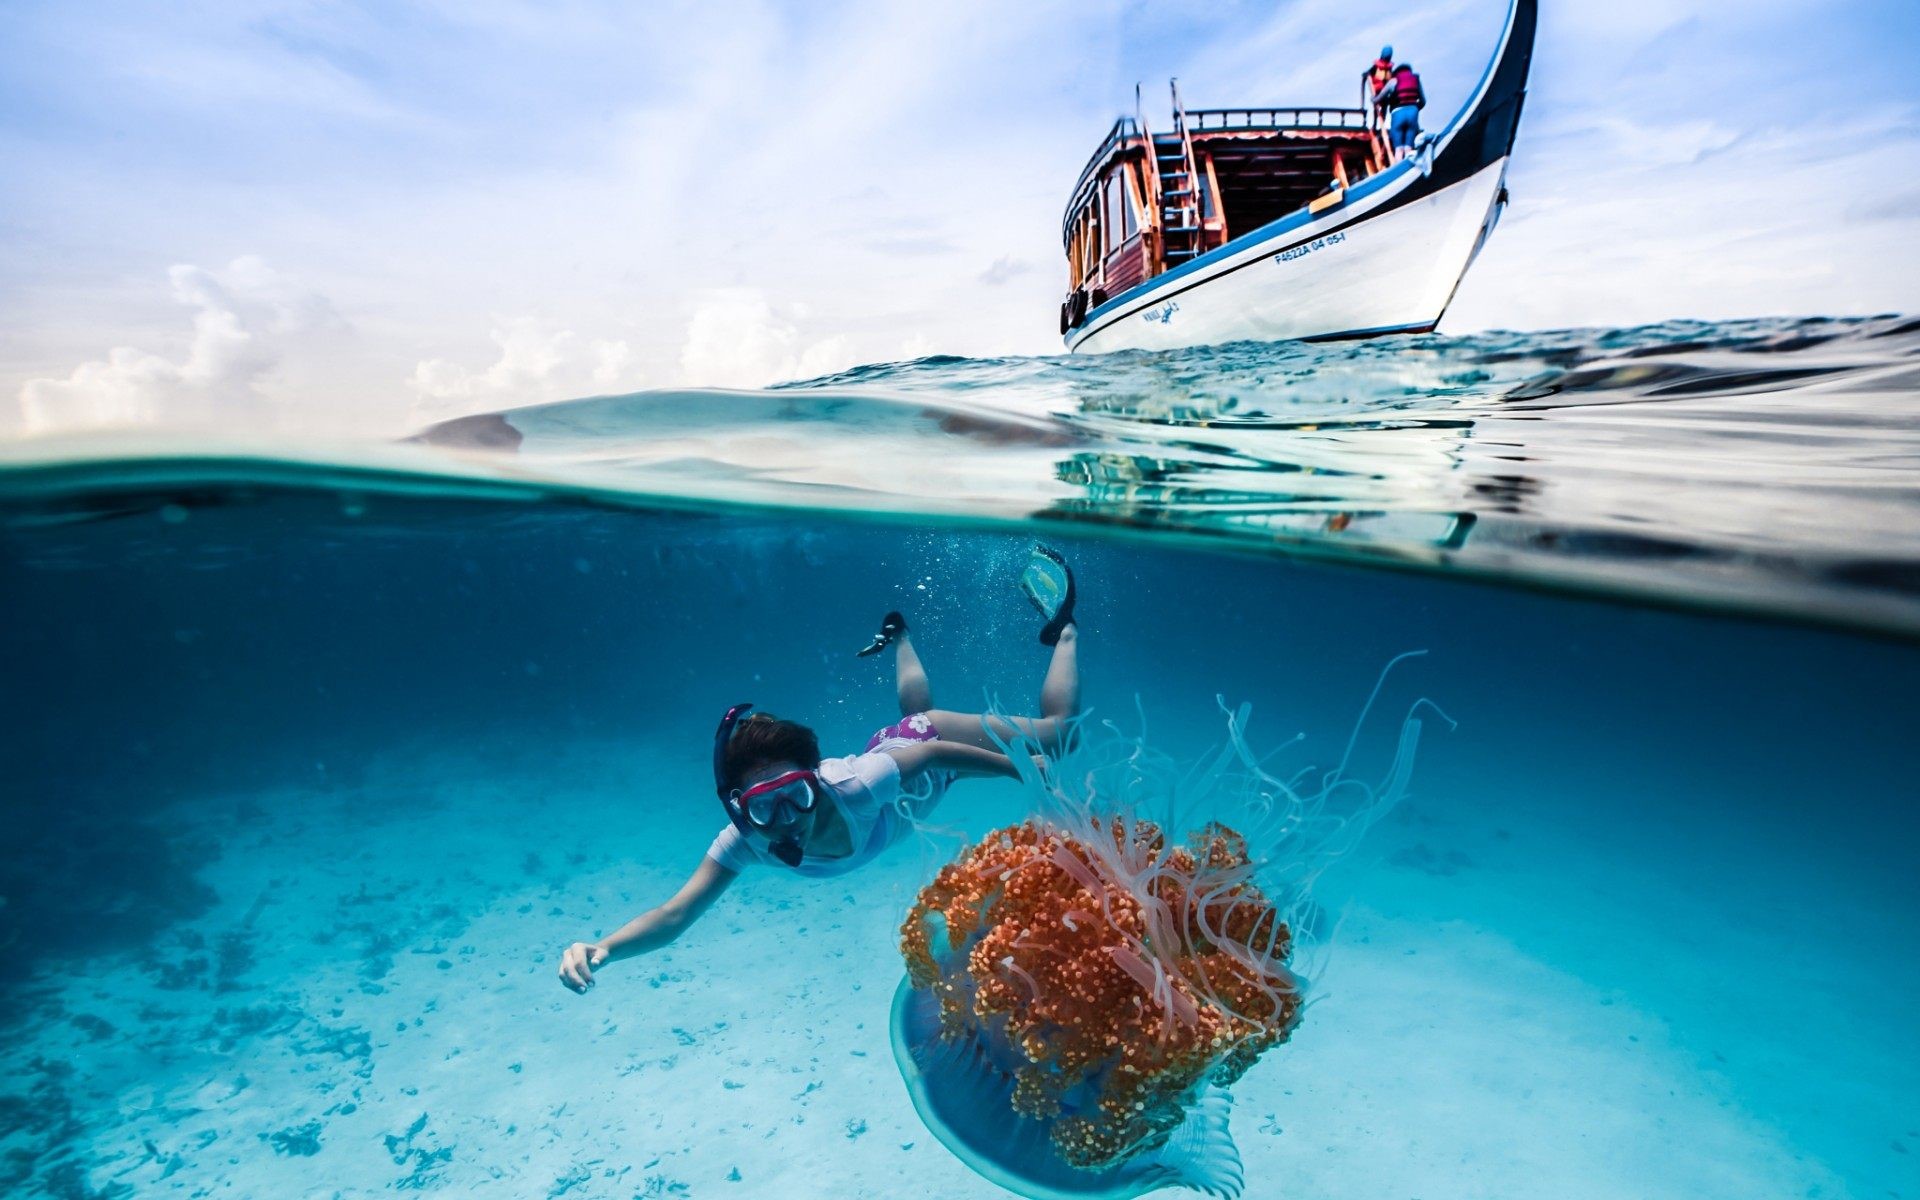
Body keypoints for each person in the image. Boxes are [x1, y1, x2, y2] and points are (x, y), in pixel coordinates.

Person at [556, 545, 1083, 994]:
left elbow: (933, 753)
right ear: (741, 810)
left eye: (796, 795)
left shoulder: (855, 785)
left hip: (920, 746)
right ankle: (899, 635)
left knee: (1057, 737)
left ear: (817, 781)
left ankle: (1065, 628)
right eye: (764, 806)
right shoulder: (745, 841)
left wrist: (1019, 771)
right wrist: (602, 949)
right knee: (913, 717)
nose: (787, 819)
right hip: (901, 763)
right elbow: (675, 915)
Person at [1374, 61, 1426, 162]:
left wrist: (1373, 98)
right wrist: (1414, 108)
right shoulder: (1415, 79)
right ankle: (1410, 166)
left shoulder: (1393, 81)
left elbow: (1379, 98)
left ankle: (1399, 167)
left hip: (1397, 114)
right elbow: (1423, 101)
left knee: (1398, 149)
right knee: (1408, 148)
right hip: (1413, 113)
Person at [1365, 44, 1395, 112]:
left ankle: (1379, 119)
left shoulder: (1387, 68)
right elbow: (1369, 73)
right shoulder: (1377, 67)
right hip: (1379, 92)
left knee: (1383, 105)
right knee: (1381, 105)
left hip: (1382, 92)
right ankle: (1378, 119)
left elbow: (1369, 72)